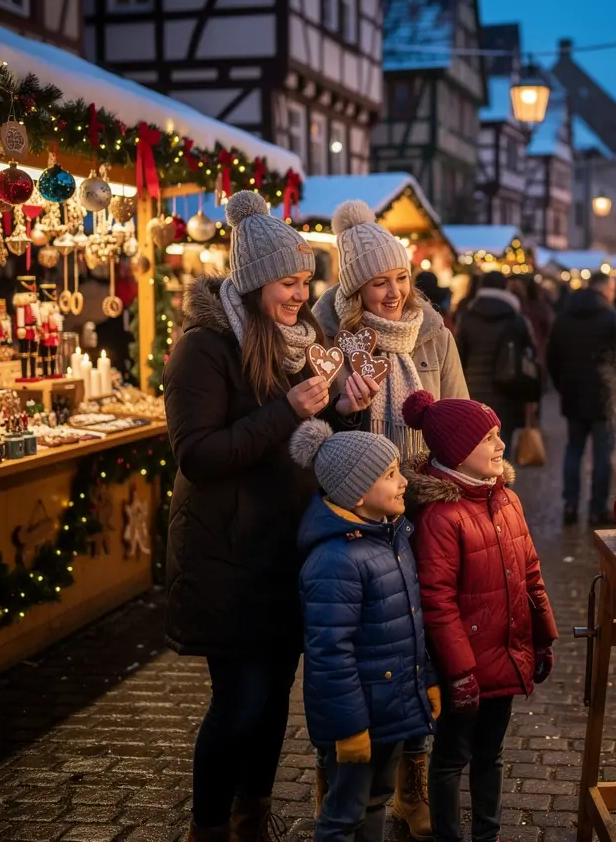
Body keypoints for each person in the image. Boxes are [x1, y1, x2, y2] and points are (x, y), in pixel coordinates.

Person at [165, 191, 372, 842]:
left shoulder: (298, 340)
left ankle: (252, 812)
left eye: (305, 281)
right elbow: (198, 455)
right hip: (225, 556)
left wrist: (349, 409)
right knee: (239, 702)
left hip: (288, 550)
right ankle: (208, 826)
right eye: (289, 282)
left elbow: (313, 439)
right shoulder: (203, 348)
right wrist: (289, 410)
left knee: (276, 695)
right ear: (255, 284)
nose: (300, 295)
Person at [313, 198, 467, 838]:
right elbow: (312, 431)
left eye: (402, 277)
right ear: (355, 287)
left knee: (418, 649)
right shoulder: (330, 338)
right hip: (354, 512)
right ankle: (338, 784)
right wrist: (348, 410)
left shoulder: (434, 332)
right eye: (381, 282)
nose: (397, 292)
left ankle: (411, 784)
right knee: (353, 650)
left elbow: (459, 416)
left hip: (422, 507)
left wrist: (452, 478)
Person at [401, 390, 558, 842]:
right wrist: (460, 672)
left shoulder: (506, 500)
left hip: (505, 655)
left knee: (491, 754)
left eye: (497, 435)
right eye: (488, 438)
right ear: (456, 451)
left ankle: (487, 834)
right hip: (464, 669)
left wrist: (542, 636)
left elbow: (530, 571)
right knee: (452, 756)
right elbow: (437, 601)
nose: (500, 445)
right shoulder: (440, 517)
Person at [290, 420, 440, 842]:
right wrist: (349, 728)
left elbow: (411, 623)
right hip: (357, 720)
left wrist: (426, 681)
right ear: (358, 492)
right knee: (343, 813)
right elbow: (329, 654)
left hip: (392, 708)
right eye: (390, 475)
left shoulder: (392, 539)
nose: (403, 481)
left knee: (376, 798)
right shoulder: (335, 561)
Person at [546, 271, 616, 526]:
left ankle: (570, 504)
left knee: (573, 450)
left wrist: (562, 385)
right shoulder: (612, 318)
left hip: (572, 394)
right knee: (602, 454)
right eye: (613, 289)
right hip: (603, 397)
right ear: (605, 289)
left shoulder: (563, 317)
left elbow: (551, 357)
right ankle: (597, 508)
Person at [455, 270, 538, 456]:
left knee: (473, 449)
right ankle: (500, 485)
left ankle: (477, 484)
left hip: (472, 392)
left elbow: (457, 357)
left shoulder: (467, 317)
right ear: (505, 287)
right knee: (501, 447)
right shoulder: (517, 319)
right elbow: (529, 358)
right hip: (507, 392)